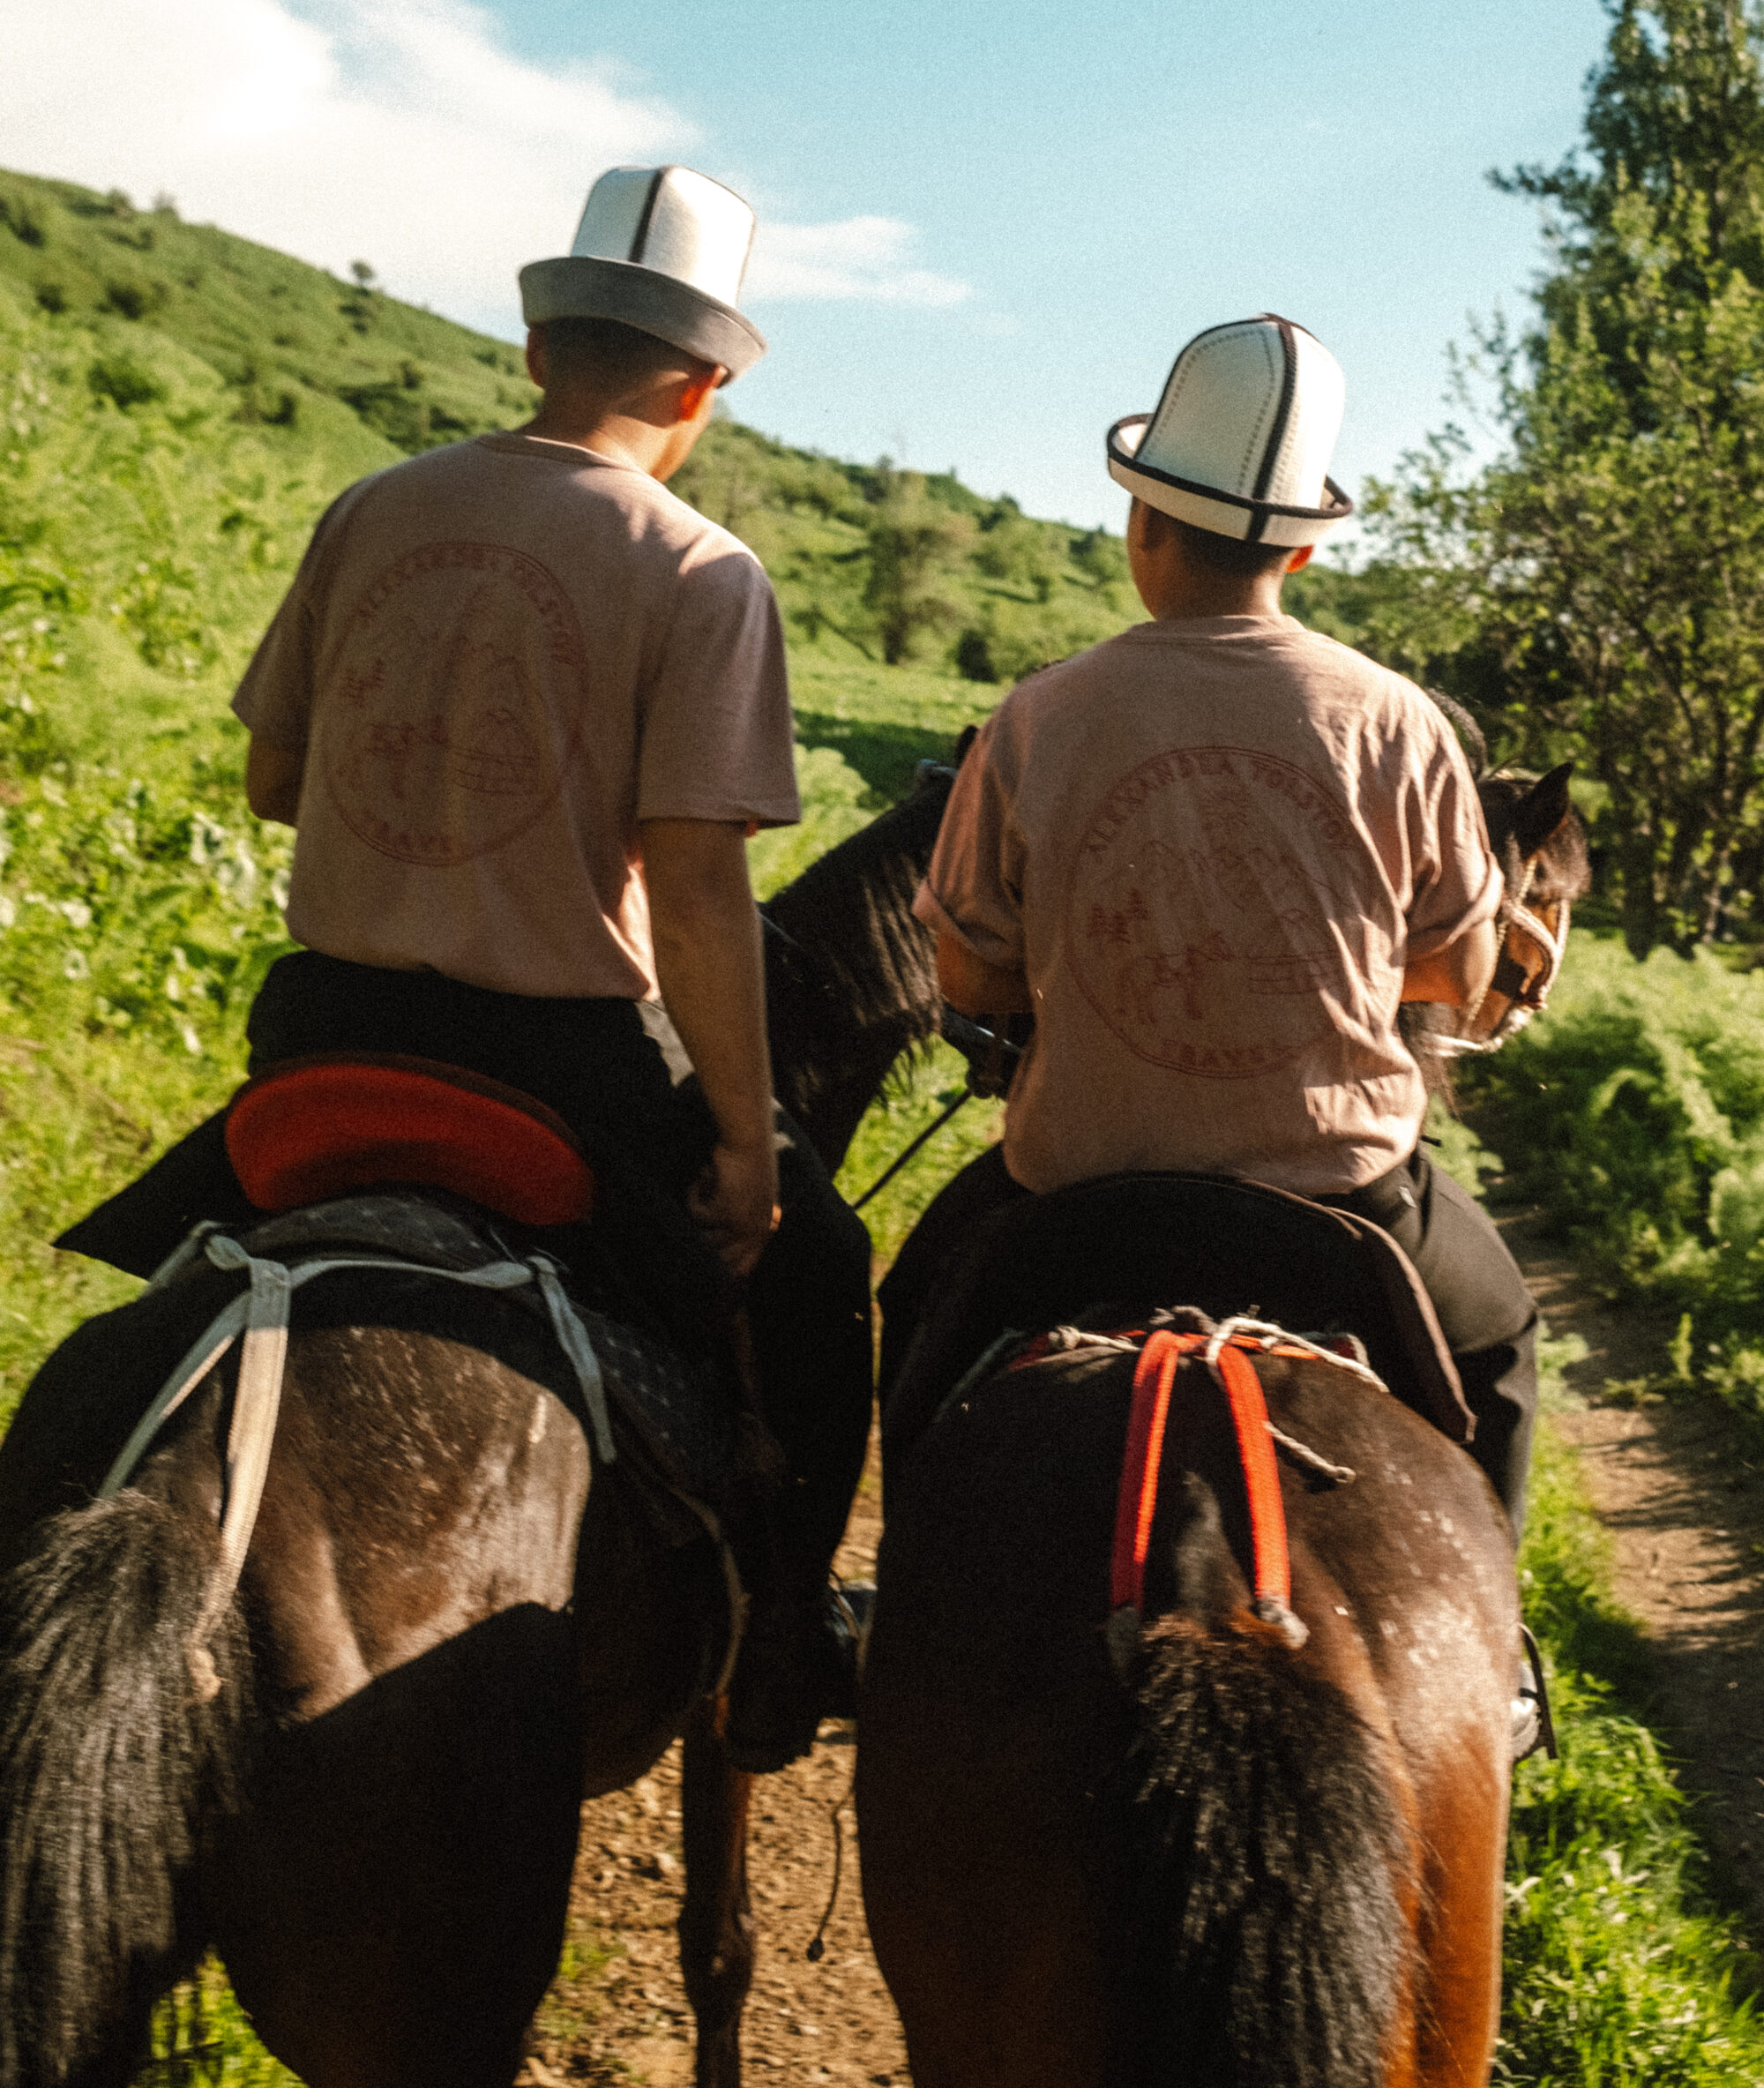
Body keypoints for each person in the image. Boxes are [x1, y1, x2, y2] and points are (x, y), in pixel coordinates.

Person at [210, 165, 870, 1771]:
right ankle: (785, 1640)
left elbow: (275, 783)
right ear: (704, 387)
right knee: (820, 1276)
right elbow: (701, 894)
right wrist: (740, 1149)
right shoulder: (702, 570)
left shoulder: (374, 510)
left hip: (322, 1032)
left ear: (533, 347)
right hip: (560, 1060)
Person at [891, 314, 1540, 1535]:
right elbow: (1457, 965)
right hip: (1346, 1197)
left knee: (916, 1305)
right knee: (1501, 1342)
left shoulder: (1038, 718)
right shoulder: (1402, 724)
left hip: (1077, 1193)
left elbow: (969, 979)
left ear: (1142, 525)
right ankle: (1503, 1660)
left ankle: (863, 1624)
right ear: (1299, 556)